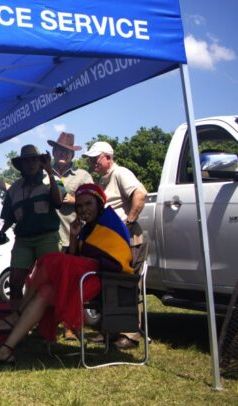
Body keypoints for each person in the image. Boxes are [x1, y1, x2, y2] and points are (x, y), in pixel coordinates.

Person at [0, 184, 133, 370]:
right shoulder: (86, 228)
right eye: (80, 206)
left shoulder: (110, 222)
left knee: (50, 260)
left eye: (88, 204)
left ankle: (16, 316)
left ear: (99, 204)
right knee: (45, 291)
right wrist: (74, 237)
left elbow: (116, 263)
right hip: (85, 280)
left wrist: (86, 260)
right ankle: (7, 349)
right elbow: (75, 259)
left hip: (108, 284)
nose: (84, 209)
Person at [84, 140, 148, 349]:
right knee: (110, 285)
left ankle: (131, 334)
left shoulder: (120, 173)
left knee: (127, 285)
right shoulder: (103, 180)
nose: (93, 163)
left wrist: (127, 223)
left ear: (108, 157)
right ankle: (110, 331)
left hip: (128, 240)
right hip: (112, 244)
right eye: (91, 159)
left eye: (96, 158)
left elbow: (141, 193)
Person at [0, 145, 63, 312]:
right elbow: (9, 217)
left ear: (40, 162)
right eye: (26, 160)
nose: (31, 163)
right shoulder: (14, 189)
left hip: (47, 237)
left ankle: (47, 325)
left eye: (34, 159)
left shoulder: (51, 179)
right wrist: (1, 232)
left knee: (49, 280)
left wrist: (50, 172)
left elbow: (58, 202)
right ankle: (16, 320)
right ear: (21, 165)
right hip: (23, 240)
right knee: (14, 281)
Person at [47, 132, 93, 340]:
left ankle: (70, 325)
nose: (61, 153)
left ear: (72, 154)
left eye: (65, 150)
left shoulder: (83, 175)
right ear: (53, 151)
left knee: (73, 283)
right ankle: (48, 324)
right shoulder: (44, 174)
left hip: (73, 236)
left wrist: (72, 199)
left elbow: (93, 201)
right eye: (58, 149)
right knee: (49, 282)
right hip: (48, 237)